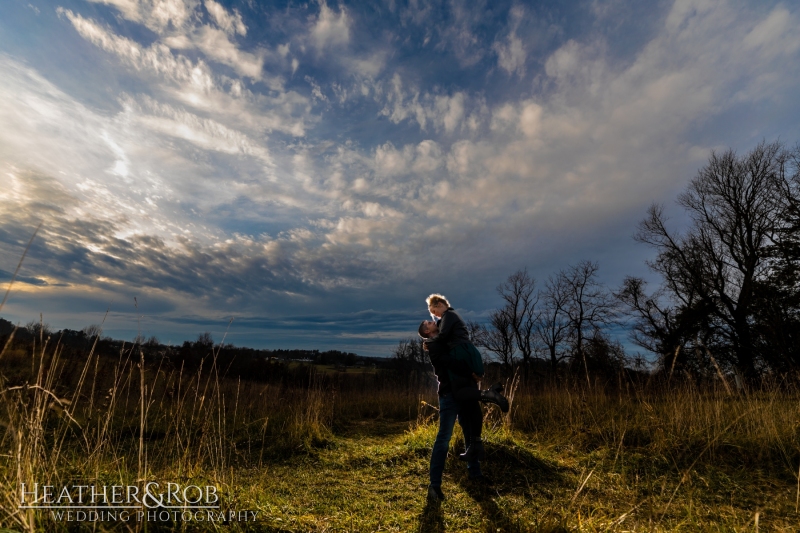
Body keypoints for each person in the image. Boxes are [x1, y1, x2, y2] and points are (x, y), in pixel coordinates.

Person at [421, 293, 509, 502]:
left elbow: (458, 344)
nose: (433, 319)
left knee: (470, 432)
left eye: (433, 315)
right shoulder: (434, 346)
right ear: (427, 332)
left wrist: (473, 373)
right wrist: (470, 371)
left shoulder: (446, 332)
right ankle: (434, 486)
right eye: (429, 321)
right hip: (450, 395)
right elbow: (451, 363)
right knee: (444, 438)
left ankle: (475, 473)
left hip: (466, 389)